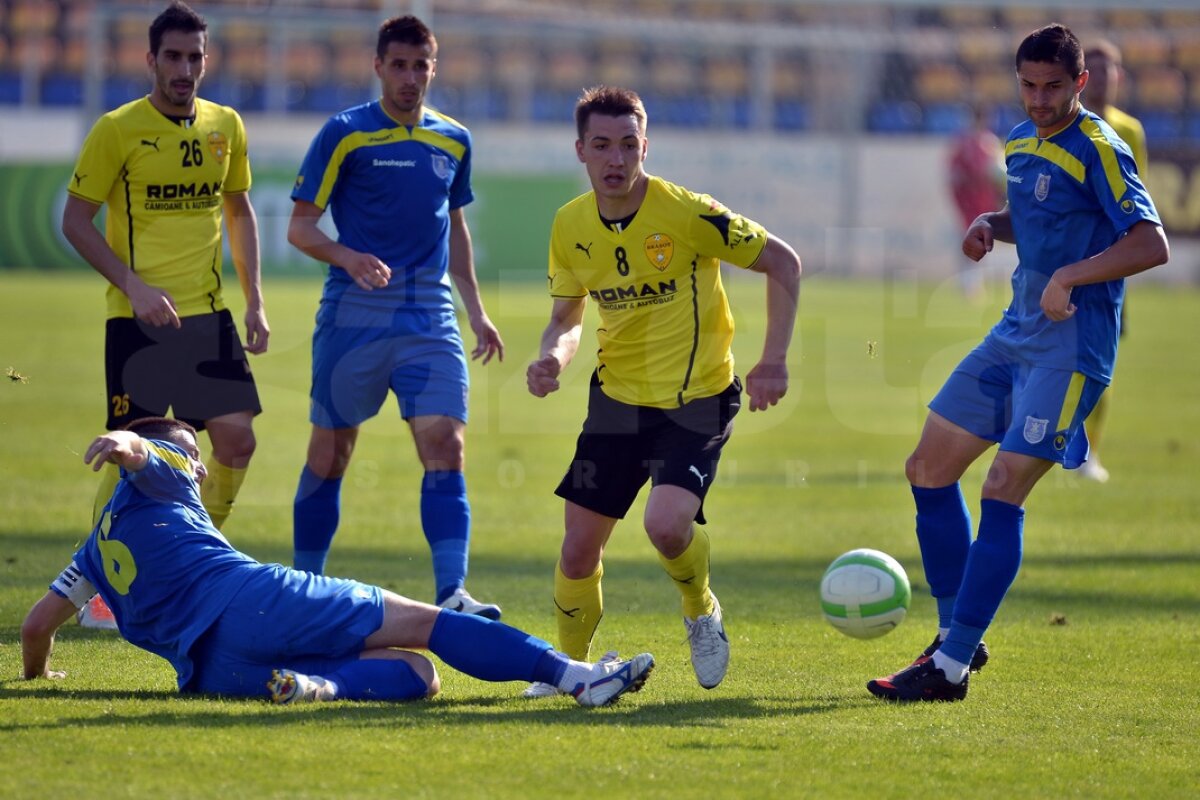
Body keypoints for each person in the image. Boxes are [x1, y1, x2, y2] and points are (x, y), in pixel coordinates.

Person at [868, 24, 1168, 703]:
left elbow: (1151, 243)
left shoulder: (1100, 146)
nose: (1039, 100)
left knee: (1002, 485)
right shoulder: (1020, 141)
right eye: (1028, 86)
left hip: (1071, 351)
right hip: (1012, 336)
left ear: (1080, 83)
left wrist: (1070, 277)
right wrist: (990, 227)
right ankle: (953, 643)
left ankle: (947, 666)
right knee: (927, 468)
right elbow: (1035, 216)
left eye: (1053, 87)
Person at [20, 417, 655, 708]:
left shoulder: (90, 553)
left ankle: (321, 687)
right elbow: (141, 451)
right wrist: (128, 443)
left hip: (213, 671)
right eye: (193, 453)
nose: (200, 462)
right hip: (255, 602)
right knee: (425, 624)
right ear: (181, 461)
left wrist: (37, 678)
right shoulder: (168, 477)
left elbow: (36, 628)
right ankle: (576, 677)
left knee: (418, 675)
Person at [522, 86, 801, 696]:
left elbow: (784, 262)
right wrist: (551, 355)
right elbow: (568, 318)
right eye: (601, 146)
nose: (615, 159)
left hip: (697, 397)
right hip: (617, 401)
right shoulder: (570, 225)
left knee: (667, 526)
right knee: (576, 551)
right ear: (580, 151)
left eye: (628, 145)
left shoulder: (688, 212)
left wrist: (773, 360)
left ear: (645, 146)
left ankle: (701, 610)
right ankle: (569, 670)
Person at [286, 15, 503, 618]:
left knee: (445, 442)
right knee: (331, 454)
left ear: (434, 68)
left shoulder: (454, 140)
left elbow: (454, 227)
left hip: (428, 313)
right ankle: (305, 588)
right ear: (378, 66)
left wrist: (476, 311)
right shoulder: (345, 133)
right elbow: (300, 226)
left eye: (421, 66)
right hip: (353, 312)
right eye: (399, 65)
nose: (410, 78)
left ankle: (452, 592)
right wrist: (347, 256)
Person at [61, 1, 268, 629]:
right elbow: (75, 221)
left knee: (237, 439)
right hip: (137, 320)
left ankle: (191, 556)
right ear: (149, 59)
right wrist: (135, 286)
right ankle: (91, 587)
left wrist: (254, 296)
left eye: (195, 56)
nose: (185, 68)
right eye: (173, 56)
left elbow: (239, 210)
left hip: (207, 315)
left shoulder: (225, 125)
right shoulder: (117, 130)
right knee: (132, 454)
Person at [1078, 39, 1150, 484]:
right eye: (1097, 71)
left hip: (1109, 262)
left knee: (1101, 364)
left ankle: (1089, 454)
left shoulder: (1131, 130)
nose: (1106, 78)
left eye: (1112, 70)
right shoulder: (1067, 125)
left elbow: (1137, 197)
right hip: (1065, 257)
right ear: (1084, 79)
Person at [947, 105, 1005, 299]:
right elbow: (993, 173)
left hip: (975, 199)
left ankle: (971, 284)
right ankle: (970, 285)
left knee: (975, 237)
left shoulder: (968, 142)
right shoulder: (984, 143)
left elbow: (953, 175)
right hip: (976, 199)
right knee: (977, 238)